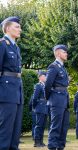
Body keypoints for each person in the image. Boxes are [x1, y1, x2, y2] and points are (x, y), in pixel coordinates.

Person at [0, 16, 23, 149]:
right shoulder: (2, 44)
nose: (20, 29)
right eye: (17, 27)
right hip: (6, 91)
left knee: (15, 128)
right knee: (6, 128)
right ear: (7, 28)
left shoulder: (16, 48)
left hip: (17, 90)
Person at [45, 44, 70, 150]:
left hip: (64, 99)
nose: (66, 54)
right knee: (56, 126)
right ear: (58, 53)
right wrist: (50, 98)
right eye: (64, 52)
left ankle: (60, 146)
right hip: (56, 99)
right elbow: (47, 85)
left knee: (63, 127)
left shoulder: (62, 68)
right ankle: (52, 146)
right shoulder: (53, 66)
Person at [33, 71, 48, 147]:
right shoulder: (38, 85)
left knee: (42, 126)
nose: (46, 77)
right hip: (40, 107)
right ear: (40, 77)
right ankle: (36, 142)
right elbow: (35, 98)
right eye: (44, 76)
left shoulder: (44, 86)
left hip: (45, 107)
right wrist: (35, 107)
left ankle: (41, 141)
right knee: (38, 125)